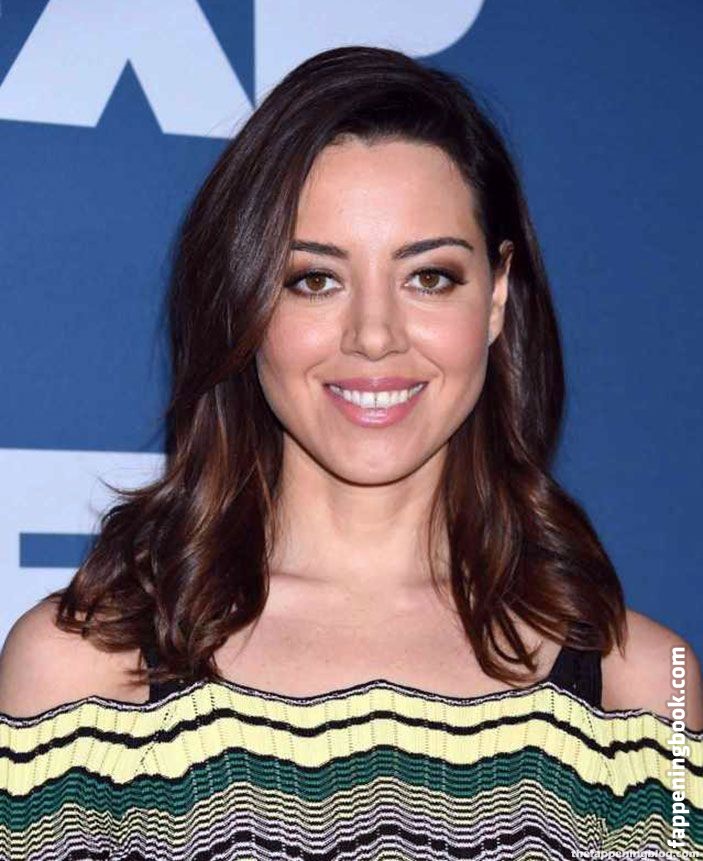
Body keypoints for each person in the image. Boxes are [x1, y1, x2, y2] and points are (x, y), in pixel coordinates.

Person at [0, 45, 701, 859]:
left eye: (429, 277)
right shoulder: (80, 676)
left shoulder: (645, 690)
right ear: (245, 301)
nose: (374, 335)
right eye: (314, 279)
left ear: (496, 295)